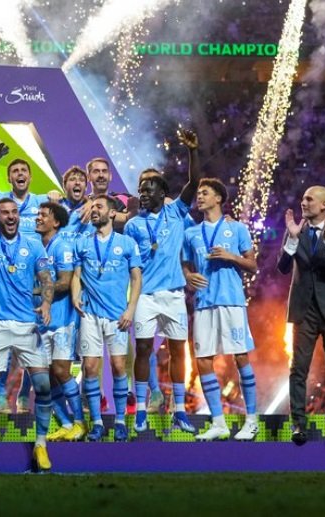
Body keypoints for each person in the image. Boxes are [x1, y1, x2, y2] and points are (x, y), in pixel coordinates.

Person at [125, 129, 201, 434]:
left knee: (178, 350)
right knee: (143, 349)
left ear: (162, 192)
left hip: (173, 295)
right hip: (145, 296)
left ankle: (180, 411)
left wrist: (192, 151)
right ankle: (141, 410)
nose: (142, 192)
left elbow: (194, 183)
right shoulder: (133, 225)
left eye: (148, 187)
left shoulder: (176, 212)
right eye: (140, 188)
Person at [0, 196, 53, 474]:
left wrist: (46, 303)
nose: (10, 216)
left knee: (43, 384)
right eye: (4, 213)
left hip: (26, 323)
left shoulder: (33, 245)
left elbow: (46, 278)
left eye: (14, 212)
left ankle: (40, 444)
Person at [183, 178, 259, 441]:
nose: (199, 197)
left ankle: (252, 421)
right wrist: (188, 275)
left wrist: (231, 257)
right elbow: (185, 263)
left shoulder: (236, 228)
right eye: (199, 193)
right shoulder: (191, 233)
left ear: (218, 198)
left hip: (231, 301)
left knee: (240, 357)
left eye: (205, 193)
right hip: (204, 302)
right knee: (203, 360)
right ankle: (218, 423)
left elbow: (253, 265)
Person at [278, 185, 325, 447]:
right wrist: (292, 239)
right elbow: (282, 267)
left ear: (324, 205)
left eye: (309, 199)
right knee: (298, 369)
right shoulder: (296, 231)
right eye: (302, 198)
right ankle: (299, 423)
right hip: (304, 310)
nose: (303, 202)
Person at [72, 195, 142, 442]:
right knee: (90, 368)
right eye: (92, 207)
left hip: (117, 315)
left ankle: (120, 420)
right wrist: (75, 295)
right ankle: (97, 422)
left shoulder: (127, 243)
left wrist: (130, 310)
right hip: (90, 314)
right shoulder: (82, 243)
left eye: (99, 207)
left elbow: (136, 278)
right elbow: (77, 274)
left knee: (119, 366)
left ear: (112, 213)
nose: (93, 210)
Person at [34, 202, 86, 442]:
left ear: (56, 222)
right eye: (38, 214)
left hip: (63, 320)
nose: (38, 218)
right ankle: (66, 423)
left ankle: (80, 423)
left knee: (61, 370)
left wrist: (37, 290)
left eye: (44, 215)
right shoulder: (36, 247)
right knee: (44, 376)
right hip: (41, 321)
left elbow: (65, 282)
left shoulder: (62, 246)